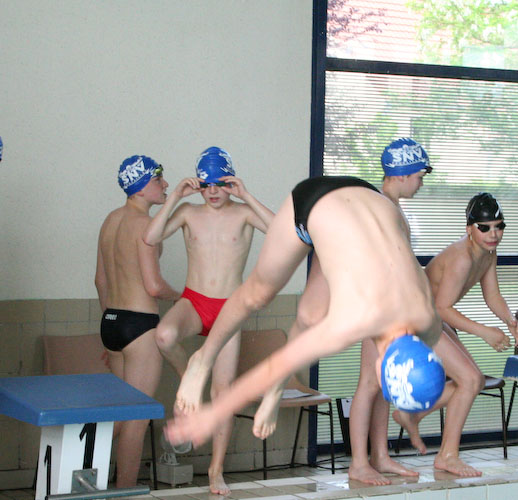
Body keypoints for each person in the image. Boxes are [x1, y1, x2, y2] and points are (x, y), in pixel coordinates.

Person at [164, 176, 444, 452]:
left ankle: (276, 390)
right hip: (314, 201)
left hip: (370, 200)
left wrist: (411, 413)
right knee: (258, 293)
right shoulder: (351, 320)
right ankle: (203, 359)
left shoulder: (429, 322)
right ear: (381, 379)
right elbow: (277, 363)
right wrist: (213, 414)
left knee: (311, 317)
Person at [142, 147, 274, 495]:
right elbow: (150, 237)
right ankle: (190, 375)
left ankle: (216, 471)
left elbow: (283, 232)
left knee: (222, 393)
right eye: (206, 185)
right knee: (164, 335)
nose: (212, 192)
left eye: (219, 184)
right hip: (195, 300)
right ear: (197, 185)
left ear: (230, 183)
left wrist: (247, 195)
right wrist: (175, 197)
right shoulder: (188, 212)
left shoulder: (244, 213)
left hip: (230, 308)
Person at [393, 192, 518, 477]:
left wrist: (510, 320)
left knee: (472, 381)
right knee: (471, 379)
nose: (493, 234)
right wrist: (484, 332)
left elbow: (492, 295)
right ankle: (447, 455)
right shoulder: (462, 257)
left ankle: (412, 414)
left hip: (430, 317)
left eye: (499, 226)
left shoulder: (487, 253)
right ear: (469, 228)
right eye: (484, 228)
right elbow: (443, 307)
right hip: (415, 317)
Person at [348, 138, 432, 485]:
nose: (421, 183)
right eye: (419, 176)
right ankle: (358, 462)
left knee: (383, 383)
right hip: (380, 307)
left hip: (389, 306)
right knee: (369, 383)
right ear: (402, 174)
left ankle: (380, 456)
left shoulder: (389, 206)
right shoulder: (381, 207)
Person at [95, 155, 180, 487]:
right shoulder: (145, 225)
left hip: (112, 323)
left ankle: (83, 473)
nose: (165, 184)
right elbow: (154, 286)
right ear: (141, 186)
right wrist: (185, 297)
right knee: (136, 418)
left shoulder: (110, 220)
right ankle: (124, 492)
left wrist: (111, 322)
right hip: (139, 326)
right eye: (159, 180)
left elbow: (100, 280)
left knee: (122, 413)